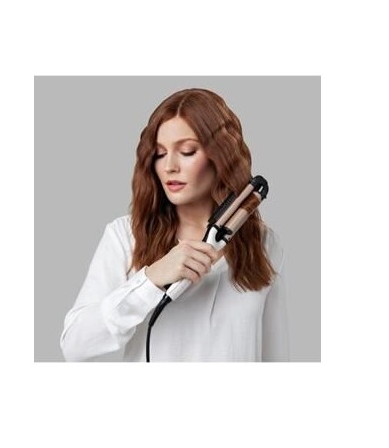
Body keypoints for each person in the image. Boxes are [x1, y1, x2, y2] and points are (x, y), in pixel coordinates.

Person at [60, 88, 289, 362]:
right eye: (159, 153)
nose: (169, 166)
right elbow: (74, 344)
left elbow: (275, 356)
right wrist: (150, 280)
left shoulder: (264, 243)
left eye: (187, 151)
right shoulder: (125, 237)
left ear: (221, 155)